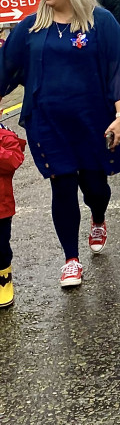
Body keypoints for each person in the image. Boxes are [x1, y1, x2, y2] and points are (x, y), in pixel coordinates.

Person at [0, 0, 120, 288]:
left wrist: (119, 116)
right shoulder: (30, 27)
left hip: (92, 121)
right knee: (61, 186)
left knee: (95, 187)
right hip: (48, 123)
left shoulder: (100, 21)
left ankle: (99, 217)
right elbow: (5, 69)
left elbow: (118, 69)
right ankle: (70, 259)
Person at [0, 123, 26, 308]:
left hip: (1, 208)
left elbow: (13, 161)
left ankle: (3, 279)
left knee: (0, 246)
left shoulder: (5, 135)